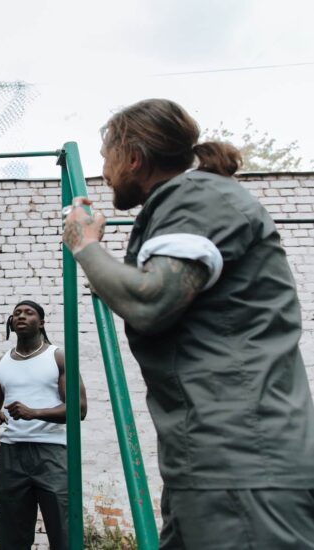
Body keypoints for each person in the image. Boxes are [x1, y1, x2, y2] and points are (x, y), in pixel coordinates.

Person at [62, 98, 314, 549]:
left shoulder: (198, 198)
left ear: (134, 158)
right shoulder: (184, 204)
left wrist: (85, 245)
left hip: (241, 463)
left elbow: (151, 300)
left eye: (107, 158)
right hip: (205, 464)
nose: (104, 172)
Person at [0, 300, 86, 550]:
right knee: (12, 537)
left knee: (64, 533)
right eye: (16, 313)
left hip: (52, 454)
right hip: (11, 455)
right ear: (11, 322)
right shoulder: (0, 363)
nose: (21, 316)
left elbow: (79, 409)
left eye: (29, 313)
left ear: (42, 322)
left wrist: (34, 413)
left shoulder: (58, 357)